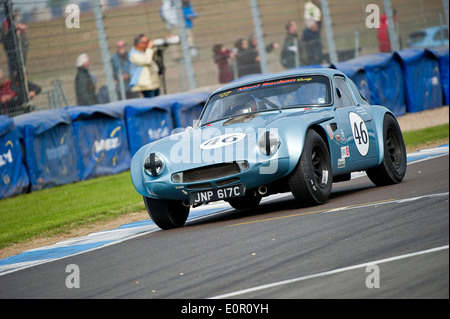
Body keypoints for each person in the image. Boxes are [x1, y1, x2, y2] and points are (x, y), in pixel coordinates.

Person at [129, 34, 161, 98]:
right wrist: (149, 48)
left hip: (154, 85)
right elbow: (147, 60)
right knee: (150, 104)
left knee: (158, 102)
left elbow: (156, 55)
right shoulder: (133, 55)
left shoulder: (146, 51)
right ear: (139, 44)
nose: (147, 44)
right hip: (145, 87)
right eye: (145, 42)